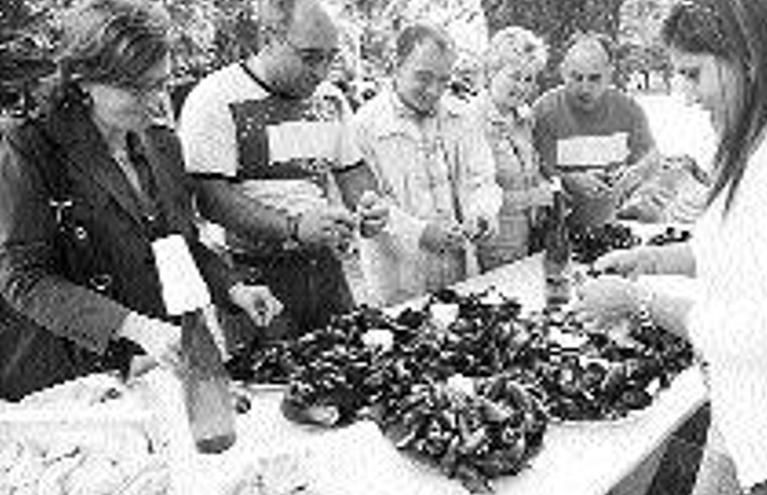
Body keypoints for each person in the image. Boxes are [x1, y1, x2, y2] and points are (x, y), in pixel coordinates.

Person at [575, 0, 767, 493]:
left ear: (748, 56)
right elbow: (747, 248)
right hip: (756, 411)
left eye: (693, 74)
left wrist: (640, 303)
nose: (688, 95)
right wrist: (648, 259)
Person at [0, 0, 282, 401]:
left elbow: (179, 246)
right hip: (68, 375)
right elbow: (24, 279)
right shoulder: (30, 144)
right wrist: (135, 327)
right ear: (83, 79)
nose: (157, 101)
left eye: (162, 82)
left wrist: (234, 288)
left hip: (154, 366)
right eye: (136, 87)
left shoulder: (162, 143)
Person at [177, 0, 388, 339]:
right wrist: (292, 227)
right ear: (269, 38)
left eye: (330, 58)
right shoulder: (214, 98)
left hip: (327, 271)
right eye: (310, 57)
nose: (321, 72)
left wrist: (370, 204)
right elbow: (210, 198)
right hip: (253, 278)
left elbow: (352, 170)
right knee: (269, 384)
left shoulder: (330, 100)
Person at [351, 23, 502, 306]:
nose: (434, 91)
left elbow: (482, 180)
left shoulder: (463, 116)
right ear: (396, 65)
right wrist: (420, 233)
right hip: (398, 280)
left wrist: (482, 213)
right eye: (423, 77)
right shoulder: (363, 127)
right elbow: (363, 204)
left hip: (460, 271)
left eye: (444, 80)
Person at [532, 32, 659, 230]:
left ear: (610, 73)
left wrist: (634, 174)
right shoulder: (545, 111)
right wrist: (570, 181)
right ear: (563, 72)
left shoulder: (628, 108)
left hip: (609, 226)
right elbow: (535, 172)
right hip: (555, 232)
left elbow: (652, 157)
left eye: (594, 78)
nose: (585, 88)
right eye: (576, 77)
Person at [467, 26, 552, 272]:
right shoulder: (472, 120)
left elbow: (528, 175)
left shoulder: (525, 119)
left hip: (525, 245)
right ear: (492, 71)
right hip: (488, 252)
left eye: (529, 79)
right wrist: (531, 198)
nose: (522, 86)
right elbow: (469, 194)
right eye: (515, 76)